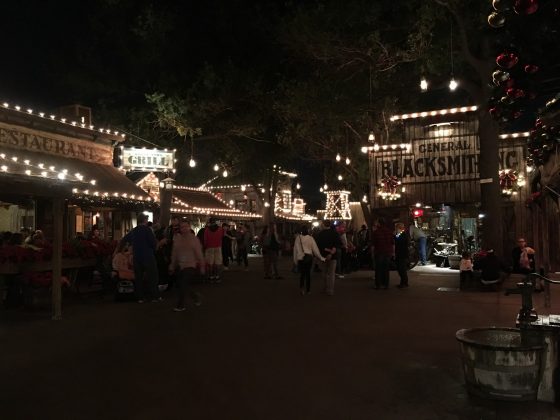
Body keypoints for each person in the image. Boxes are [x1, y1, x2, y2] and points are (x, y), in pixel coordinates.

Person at [120, 214, 161, 303]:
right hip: (148, 256)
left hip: (137, 257)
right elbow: (153, 243)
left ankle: (140, 297)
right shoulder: (147, 230)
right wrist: (155, 247)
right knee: (152, 276)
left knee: (138, 278)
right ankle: (155, 296)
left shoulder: (134, 231)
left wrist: (123, 251)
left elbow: (124, 240)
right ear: (144, 220)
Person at [169, 220, 205, 312]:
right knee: (182, 285)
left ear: (189, 227)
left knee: (183, 284)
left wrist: (202, 265)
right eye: (182, 227)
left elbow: (199, 253)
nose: (184, 229)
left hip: (190, 265)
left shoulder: (194, 239)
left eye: (186, 226)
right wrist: (172, 265)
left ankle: (180, 305)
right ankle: (195, 296)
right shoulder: (178, 239)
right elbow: (174, 253)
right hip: (180, 265)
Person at [293, 225, 325, 295]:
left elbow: (295, 250)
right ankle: (308, 290)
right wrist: (321, 257)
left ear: (301, 231)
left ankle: (302, 289)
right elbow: (315, 249)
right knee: (308, 274)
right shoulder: (311, 238)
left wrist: (295, 260)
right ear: (308, 231)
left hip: (300, 258)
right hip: (309, 258)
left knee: (302, 274)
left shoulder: (298, 238)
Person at [315, 220, 342, 296]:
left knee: (324, 273)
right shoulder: (335, 233)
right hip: (333, 256)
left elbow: (318, 246)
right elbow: (338, 244)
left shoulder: (320, 234)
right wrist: (331, 253)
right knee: (332, 273)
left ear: (323, 225)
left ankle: (325, 288)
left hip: (323, 256)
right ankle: (330, 290)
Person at [371, 218, 395, 290]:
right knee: (386, 269)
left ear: (379, 223)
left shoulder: (376, 232)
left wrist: (372, 253)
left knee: (378, 269)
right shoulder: (389, 232)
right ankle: (386, 284)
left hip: (379, 252)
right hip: (388, 252)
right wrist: (393, 252)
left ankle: (378, 285)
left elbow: (373, 244)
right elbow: (392, 243)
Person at [203, 218, 224, 282]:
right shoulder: (220, 229)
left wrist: (205, 246)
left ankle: (211, 276)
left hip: (209, 247)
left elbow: (205, 239)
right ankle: (217, 276)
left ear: (210, 222)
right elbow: (222, 237)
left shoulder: (207, 230)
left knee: (210, 263)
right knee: (217, 263)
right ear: (215, 222)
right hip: (218, 247)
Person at [394, 223, 409, 288]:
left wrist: (395, 236)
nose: (395, 229)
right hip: (401, 254)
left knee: (401, 269)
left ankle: (403, 283)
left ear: (399, 228)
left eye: (396, 228)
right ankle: (404, 282)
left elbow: (398, 241)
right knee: (402, 269)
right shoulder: (401, 234)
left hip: (402, 254)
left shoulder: (402, 234)